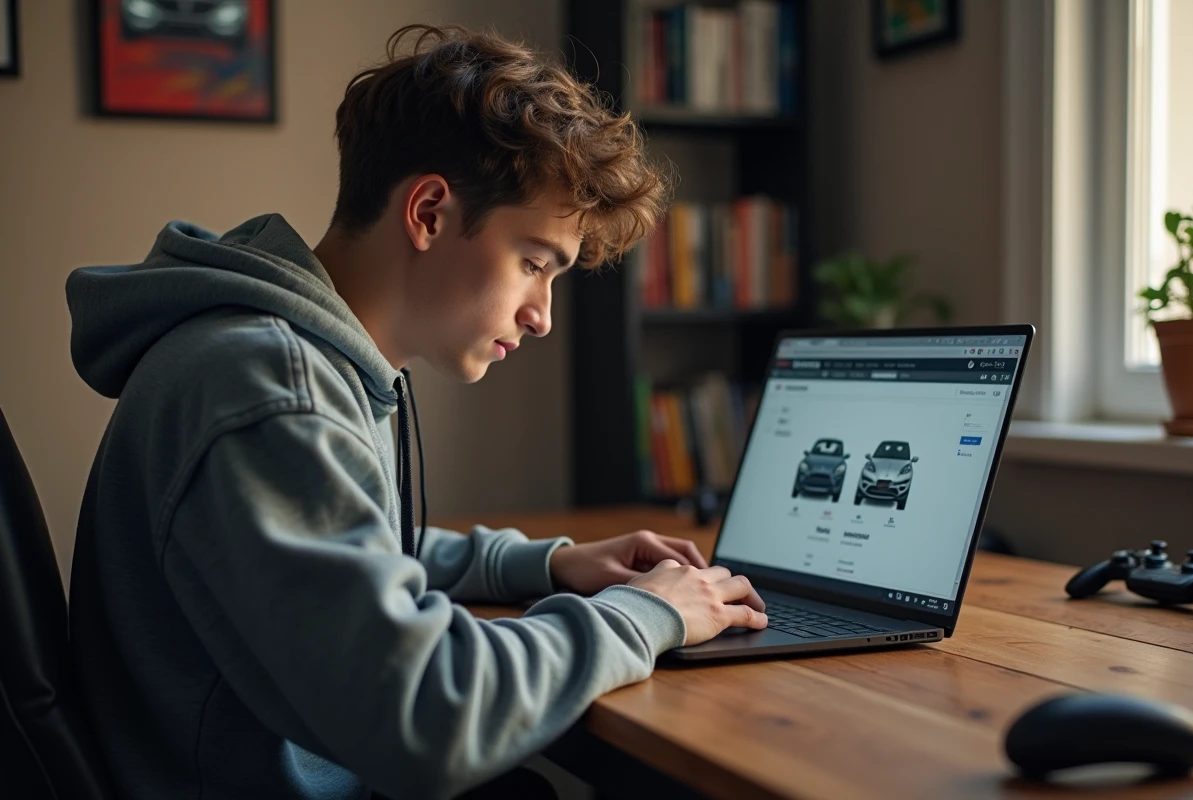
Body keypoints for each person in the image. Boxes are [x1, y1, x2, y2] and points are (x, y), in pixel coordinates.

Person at [65, 24, 768, 800]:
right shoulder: (267, 389)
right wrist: (643, 614)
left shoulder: (291, 360)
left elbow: (352, 545)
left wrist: (545, 564)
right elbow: (425, 714)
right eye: (534, 264)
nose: (542, 316)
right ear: (429, 211)